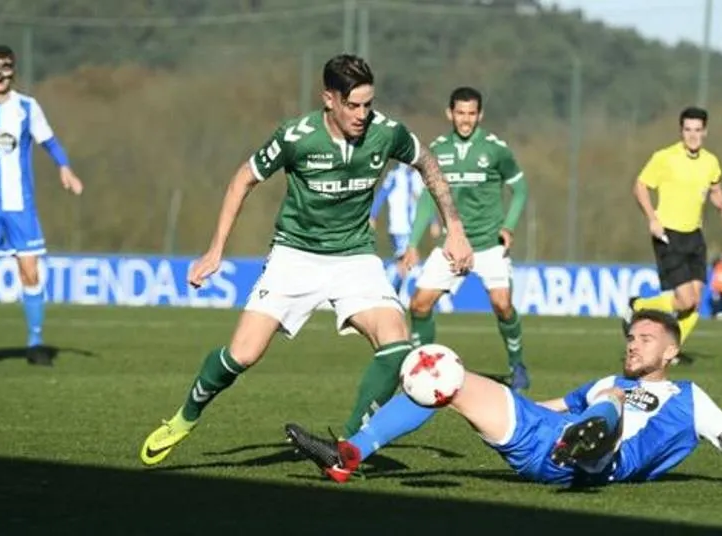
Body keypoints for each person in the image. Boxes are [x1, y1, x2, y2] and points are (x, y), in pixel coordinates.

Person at [138, 54, 474, 466]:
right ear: (328, 99)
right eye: (353, 105)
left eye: (368, 104)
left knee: (395, 343)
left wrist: (454, 229)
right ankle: (184, 418)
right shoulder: (297, 136)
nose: (363, 114)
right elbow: (243, 178)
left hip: (355, 257)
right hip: (294, 256)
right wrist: (215, 249)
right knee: (242, 354)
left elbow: (428, 164)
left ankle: (345, 450)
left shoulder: (386, 133)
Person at [285, 310, 722, 496]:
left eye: (644, 339)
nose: (633, 343)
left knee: (607, 399)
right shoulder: (606, 379)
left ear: (671, 351)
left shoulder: (690, 401)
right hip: (546, 436)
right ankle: (348, 455)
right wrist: (499, 408)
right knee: (442, 370)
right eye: (630, 337)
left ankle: (587, 444)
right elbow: (548, 404)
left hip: (606, 460)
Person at [0, 44, 84, 367]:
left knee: (29, 271)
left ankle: (36, 343)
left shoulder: (27, 107)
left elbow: (49, 141)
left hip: (20, 206)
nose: (0, 72)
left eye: (6, 66)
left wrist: (64, 167)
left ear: (13, 71)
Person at [400, 86, 530, 389]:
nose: (466, 119)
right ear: (450, 113)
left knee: (502, 305)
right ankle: (422, 363)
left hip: (488, 245)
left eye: (472, 113)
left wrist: (508, 227)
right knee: (419, 305)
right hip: (452, 245)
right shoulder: (438, 149)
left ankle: (517, 366)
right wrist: (412, 243)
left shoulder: (495, 149)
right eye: (460, 113)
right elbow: (426, 200)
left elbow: (520, 189)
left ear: (480, 115)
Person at [623, 106, 722, 346]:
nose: (692, 135)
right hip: (668, 234)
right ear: (681, 131)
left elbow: (715, 190)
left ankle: (671, 349)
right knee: (685, 300)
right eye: (687, 130)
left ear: (705, 131)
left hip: (695, 235)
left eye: (697, 130)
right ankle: (638, 305)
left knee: (696, 301)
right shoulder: (665, 157)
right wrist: (652, 218)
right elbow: (640, 186)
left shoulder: (710, 162)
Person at [368, 162, 425, 291]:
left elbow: (424, 201)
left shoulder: (417, 176)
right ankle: (389, 293)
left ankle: (391, 293)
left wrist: (433, 221)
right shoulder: (395, 175)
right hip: (399, 227)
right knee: (408, 261)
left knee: (406, 262)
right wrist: (373, 215)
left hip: (413, 229)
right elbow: (382, 194)